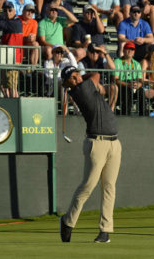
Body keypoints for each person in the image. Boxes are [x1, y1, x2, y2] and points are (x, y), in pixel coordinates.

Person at [59, 65, 122, 244]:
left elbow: (93, 78)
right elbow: (95, 74)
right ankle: (67, 221)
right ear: (67, 83)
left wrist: (78, 73)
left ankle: (105, 231)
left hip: (114, 143)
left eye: (77, 75)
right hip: (97, 143)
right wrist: (83, 75)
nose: (77, 78)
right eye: (72, 77)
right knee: (87, 186)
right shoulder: (80, 91)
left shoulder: (84, 86)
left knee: (109, 187)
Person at [79, 43, 118, 111]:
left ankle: (109, 110)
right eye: (92, 51)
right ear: (87, 52)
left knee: (114, 88)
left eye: (97, 52)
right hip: (88, 87)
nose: (95, 54)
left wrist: (105, 53)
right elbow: (81, 78)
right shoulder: (82, 62)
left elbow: (112, 67)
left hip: (102, 86)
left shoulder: (102, 60)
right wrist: (96, 83)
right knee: (95, 87)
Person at [113, 41, 145, 115]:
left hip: (133, 84)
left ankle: (143, 114)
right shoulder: (117, 61)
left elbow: (140, 79)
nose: (130, 51)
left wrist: (138, 84)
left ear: (134, 52)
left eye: (132, 49)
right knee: (128, 90)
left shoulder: (136, 64)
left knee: (141, 91)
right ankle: (126, 114)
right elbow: (115, 79)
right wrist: (128, 85)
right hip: (122, 86)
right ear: (123, 50)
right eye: (128, 49)